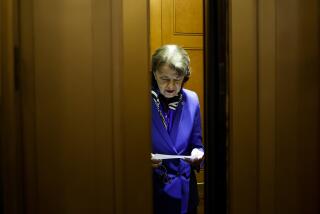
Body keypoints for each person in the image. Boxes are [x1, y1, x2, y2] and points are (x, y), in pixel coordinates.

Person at [150, 44, 204, 214]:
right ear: (154, 74)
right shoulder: (138, 99)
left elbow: (197, 144)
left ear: (185, 77)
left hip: (185, 192)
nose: (171, 86)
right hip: (152, 192)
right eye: (164, 78)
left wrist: (198, 155)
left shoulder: (192, 100)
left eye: (177, 79)